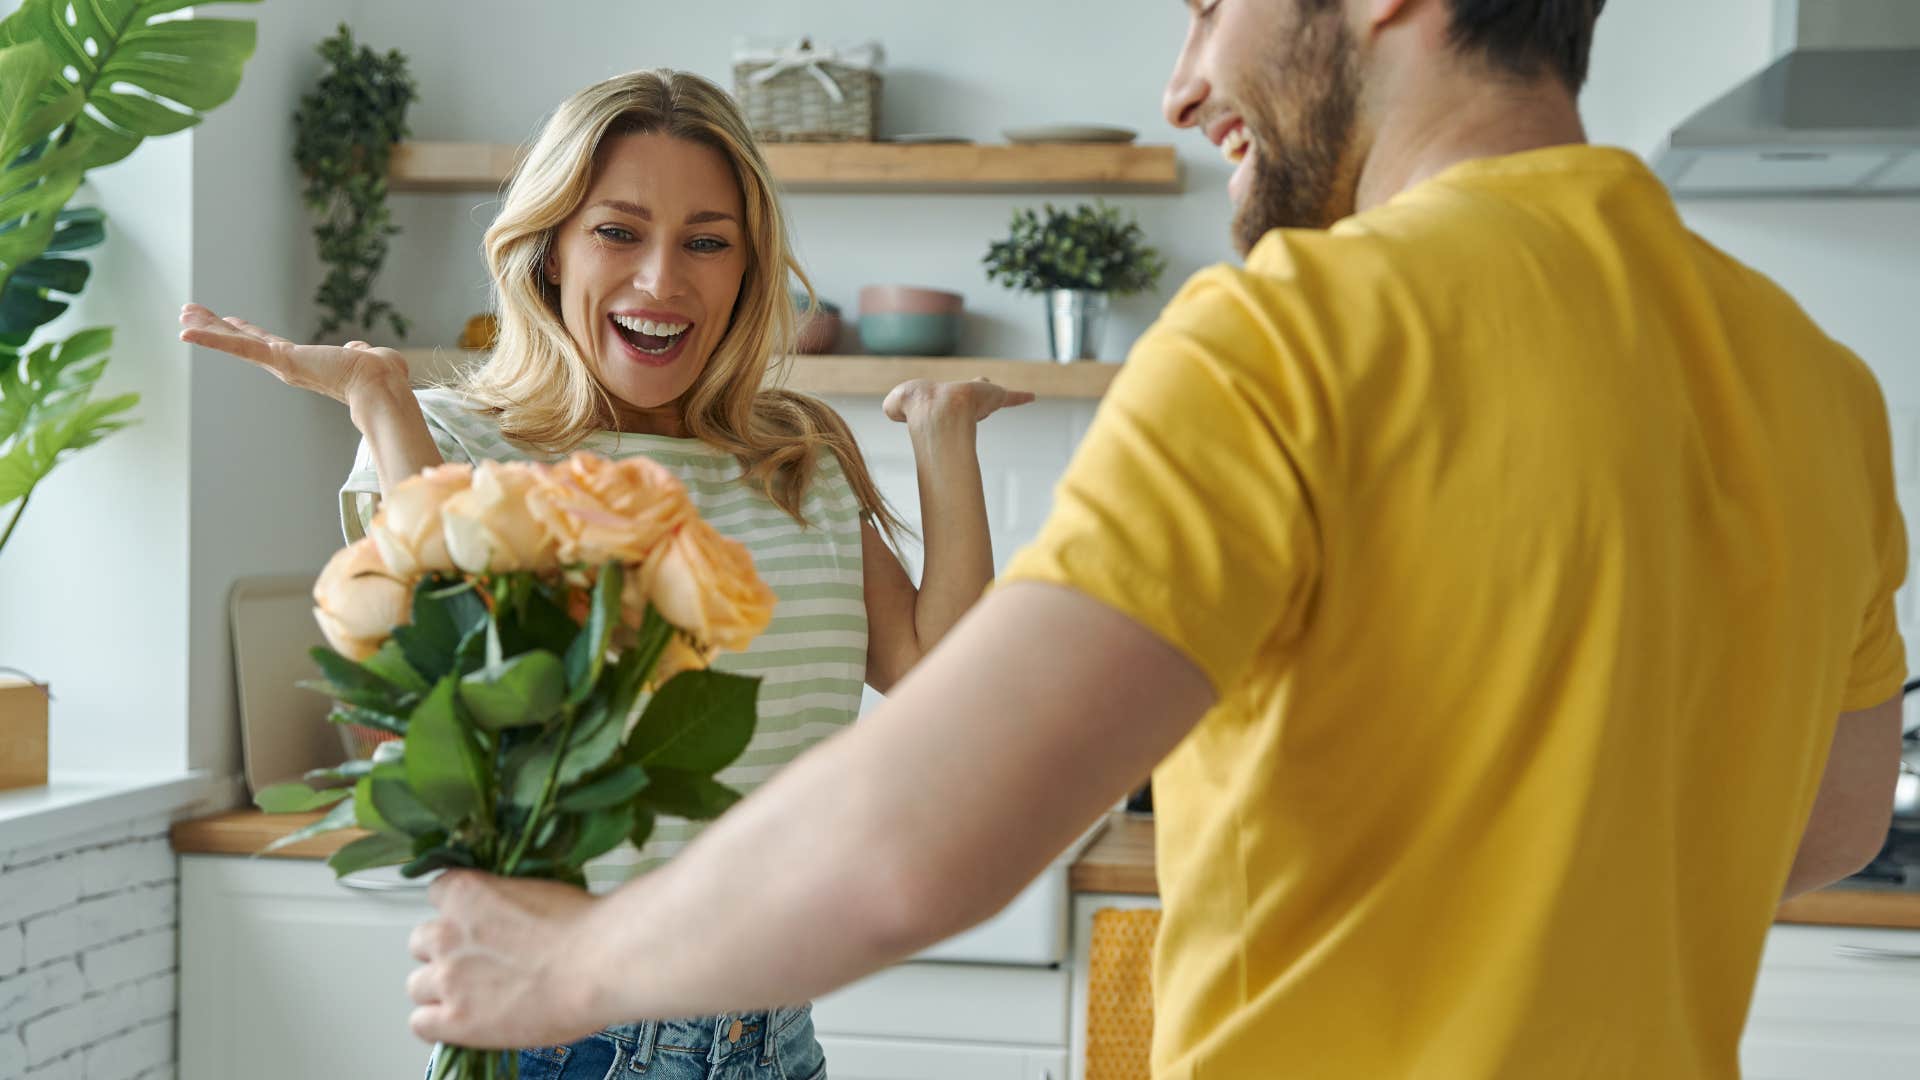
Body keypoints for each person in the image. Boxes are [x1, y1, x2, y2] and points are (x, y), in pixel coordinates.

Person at [402, 2, 1908, 1077]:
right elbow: (1836, 822)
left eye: (1206, 7)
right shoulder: (1814, 383)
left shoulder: (1294, 337)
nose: (1186, 84)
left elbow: (931, 830)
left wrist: (562, 968)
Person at [180, 68, 1033, 1080]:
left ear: (749, 270)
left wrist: (944, 439)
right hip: (573, 1042)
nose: (663, 281)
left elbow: (946, 678)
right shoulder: (456, 443)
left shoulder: (793, 455)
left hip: (774, 1037)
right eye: (617, 231)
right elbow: (453, 702)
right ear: (549, 249)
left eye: (707, 241)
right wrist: (384, 407)